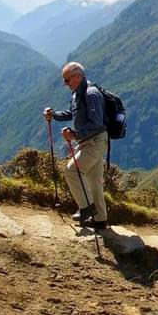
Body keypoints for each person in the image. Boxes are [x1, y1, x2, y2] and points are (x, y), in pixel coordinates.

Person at [43, 62, 109, 230]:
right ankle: (100, 220)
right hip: (89, 141)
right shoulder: (77, 93)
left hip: (95, 142)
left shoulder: (91, 94)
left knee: (72, 170)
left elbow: (96, 123)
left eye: (67, 80)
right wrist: (55, 115)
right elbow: (73, 113)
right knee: (95, 182)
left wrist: (74, 135)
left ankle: (87, 208)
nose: (65, 84)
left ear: (77, 77)